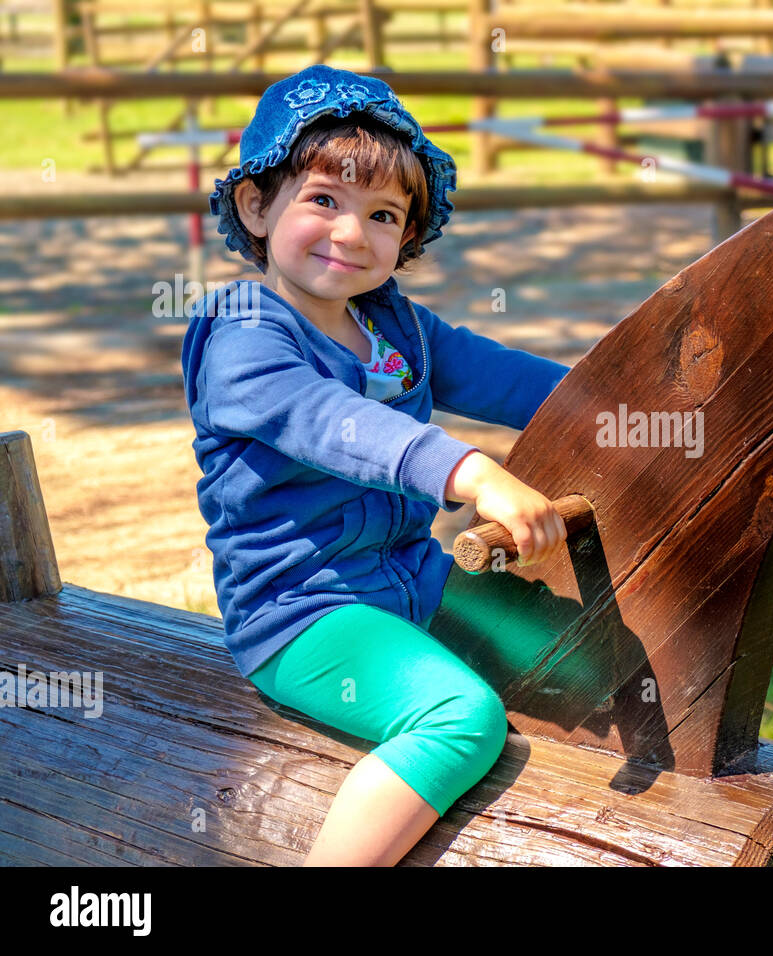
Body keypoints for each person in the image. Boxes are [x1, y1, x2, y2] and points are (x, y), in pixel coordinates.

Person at [181, 64, 571, 866]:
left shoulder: (393, 325)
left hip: (411, 579)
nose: (353, 233)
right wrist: (471, 472)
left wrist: (620, 401)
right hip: (304, 613)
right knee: (460, 717)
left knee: (570, 639)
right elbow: (338, 426)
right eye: (324, 200)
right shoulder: (246, 338)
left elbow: (502, 377)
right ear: (257, 205)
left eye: (383, 214)